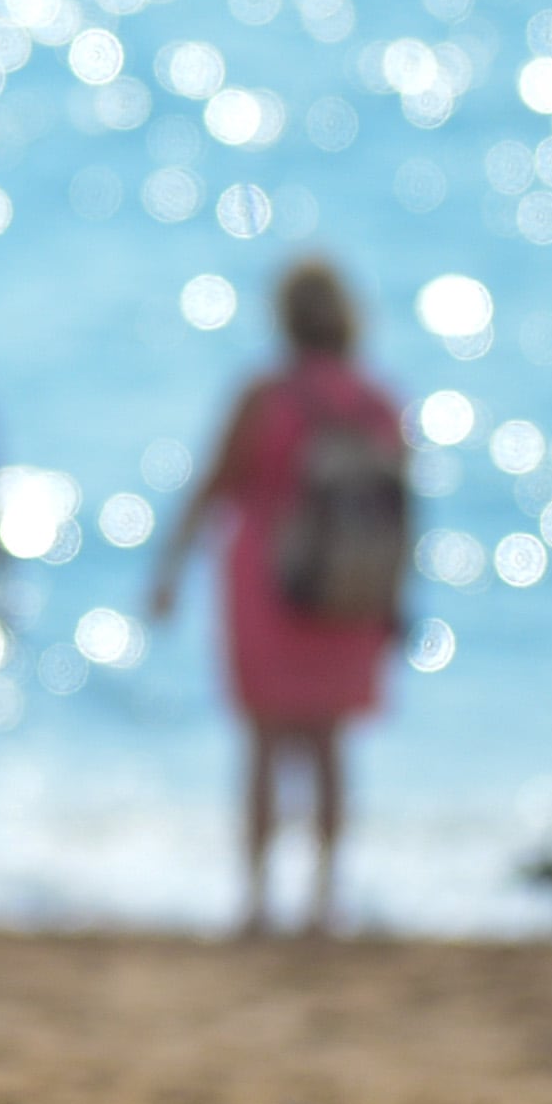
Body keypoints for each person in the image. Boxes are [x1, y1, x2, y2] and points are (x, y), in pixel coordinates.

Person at [147, 258, 408, 937]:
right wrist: (395, 599)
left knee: (264, 741)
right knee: (328, 746)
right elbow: (397, 512)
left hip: (267, 583)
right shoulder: (376, 400)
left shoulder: (266, 397)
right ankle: (323, 899)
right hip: (349, 593)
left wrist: (168, 569)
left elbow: (214, 483)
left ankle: (258, 898)